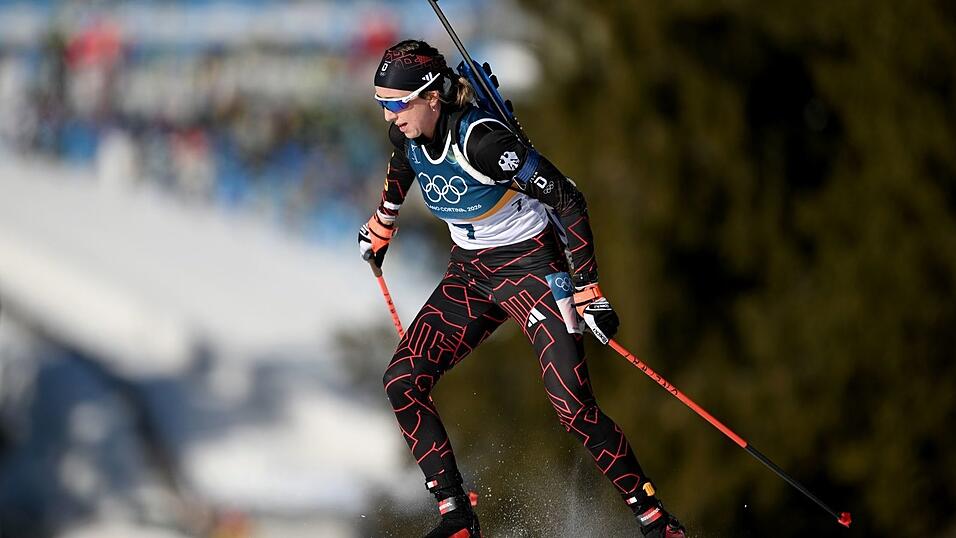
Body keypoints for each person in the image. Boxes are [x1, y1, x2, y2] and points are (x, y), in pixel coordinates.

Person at [359, 39, 686, 538]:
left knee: (572, 406)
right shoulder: (407, 133)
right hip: (471, 271)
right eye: (382, 103)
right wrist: (384, 223)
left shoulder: (482, 142)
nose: (389, 115)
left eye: (397, 103)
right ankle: (456, 516)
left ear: (431, 96)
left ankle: (656, 521)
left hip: (533, 265)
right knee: (402, 381)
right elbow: (403, 166)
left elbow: (569, 199)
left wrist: (587, 290)